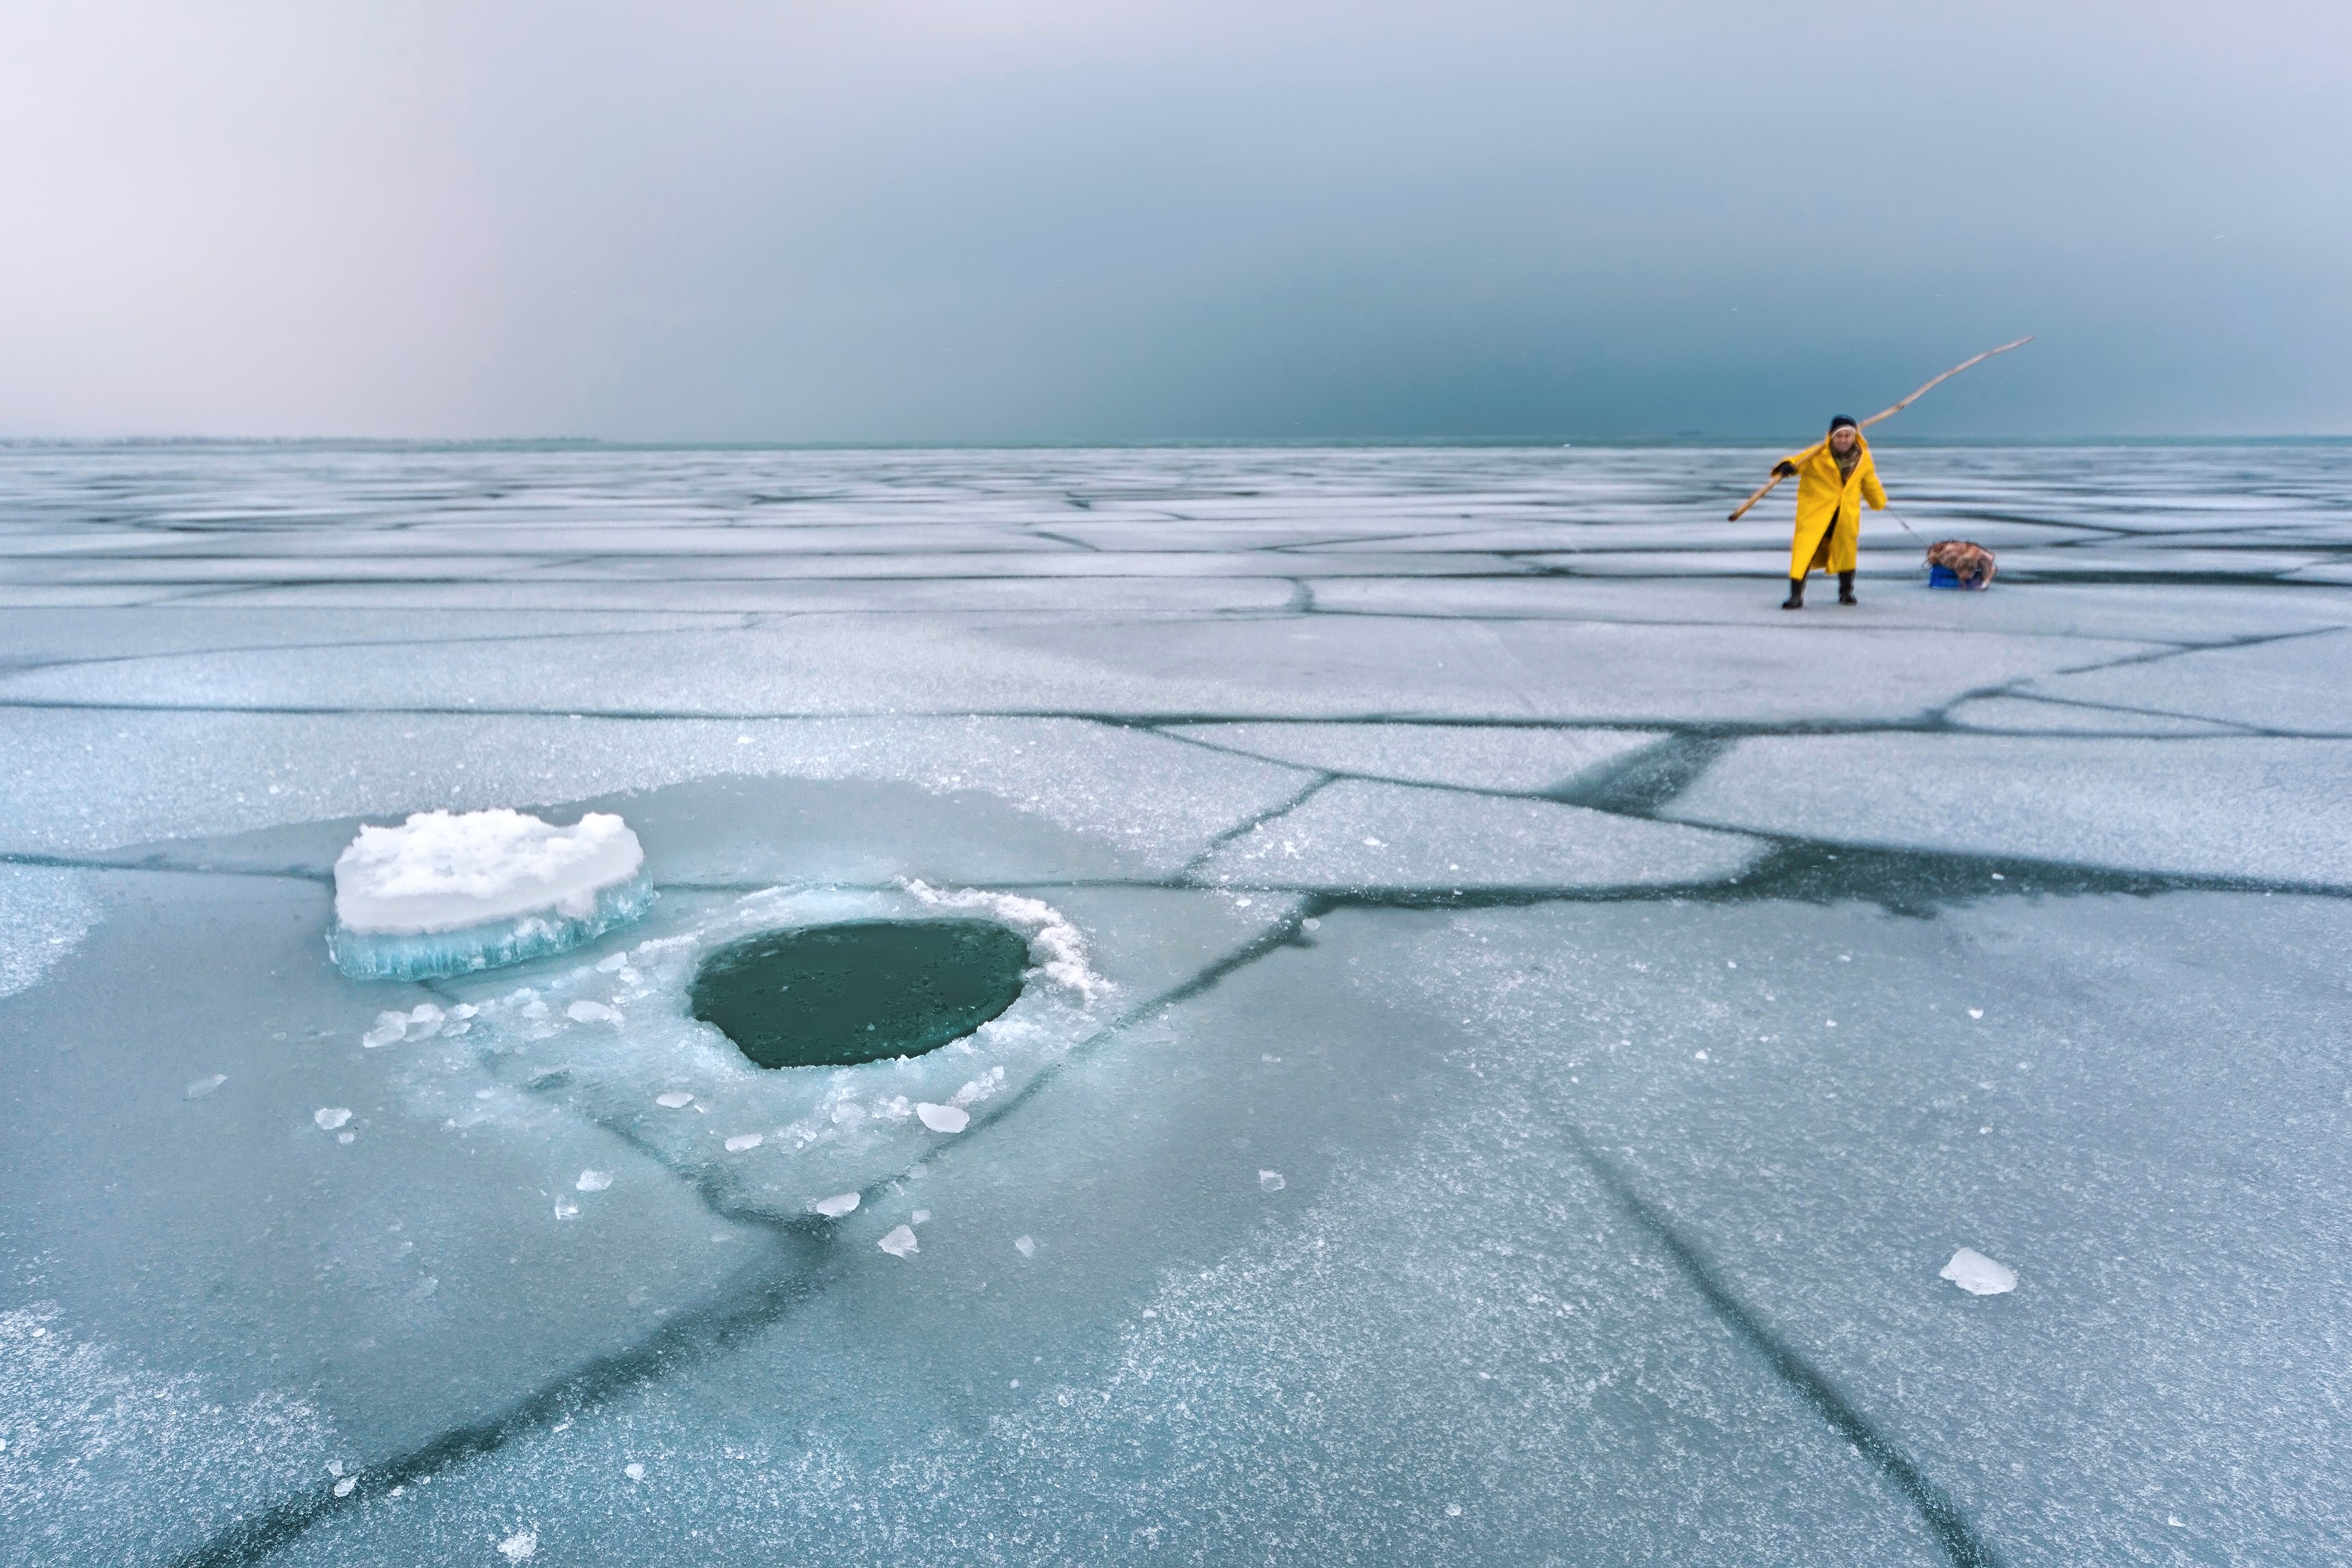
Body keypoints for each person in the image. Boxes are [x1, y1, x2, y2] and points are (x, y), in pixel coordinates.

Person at [1773, 416, 1886, 609]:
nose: (1843, 440)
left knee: (1846, 552)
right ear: (1831, 437)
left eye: (1847, 436)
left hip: (1845, 514)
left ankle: (1846, 592)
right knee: (1804, 552)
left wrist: (1878, 502)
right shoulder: (1817, 455)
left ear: (1855, 437)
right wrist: (1786, 466)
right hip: (1815, 513)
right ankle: (1796, 596)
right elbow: (1796, 462)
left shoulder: (1863, 457)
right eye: (1839, 436)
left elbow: (1870, 481)